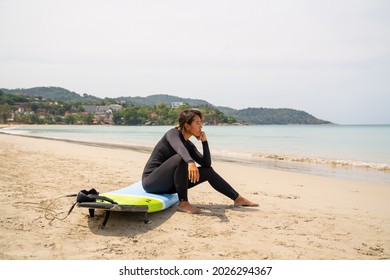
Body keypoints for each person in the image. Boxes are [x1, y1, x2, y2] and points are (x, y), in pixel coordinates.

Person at [142, 109, 258, 214]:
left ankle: (238, 199)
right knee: (180, 158)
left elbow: (206, 164)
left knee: (208, 171)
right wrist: (190, 162)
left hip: (170, 185)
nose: (201, 126)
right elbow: (179, 149)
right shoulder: (172, 134)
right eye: (197, 123)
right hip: (151, 182)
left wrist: (204, 142)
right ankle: (183, 203)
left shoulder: (189, 145)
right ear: (187, 126)